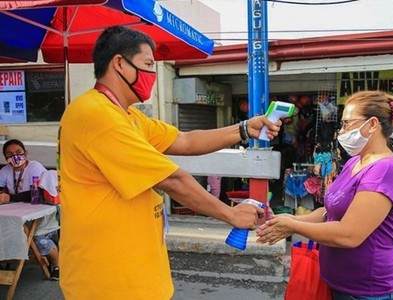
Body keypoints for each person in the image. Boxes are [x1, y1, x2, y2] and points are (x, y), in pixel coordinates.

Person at [57, 25, 281, 300]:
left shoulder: (130, 117)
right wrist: (231, 214)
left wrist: (245, 128)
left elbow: (186, 140)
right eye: (148, 64)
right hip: (107, 281)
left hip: (138, 273)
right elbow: (173, 180)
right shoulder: (95, 115)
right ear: (119, 64)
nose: (152, 75)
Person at [256, 91, 393, 300]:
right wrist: (288, 219)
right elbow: (329, 212)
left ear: (373, 124)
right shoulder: (355, 162)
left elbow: (349, 234)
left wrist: (293, 227)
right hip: (335, 284)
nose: (341, 132)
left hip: (368, 292)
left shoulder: (384, 170)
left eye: (347, 124)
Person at [0, 139, 60, 280]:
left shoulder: (35, 167)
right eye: (9, 154)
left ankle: (57, 264)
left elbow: (37, 193)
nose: (14, 157)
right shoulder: (5, 171)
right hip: (18, 211)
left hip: (42, 209)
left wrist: (10, 198)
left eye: (18, 152)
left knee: (38, 238)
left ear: (26, 153)